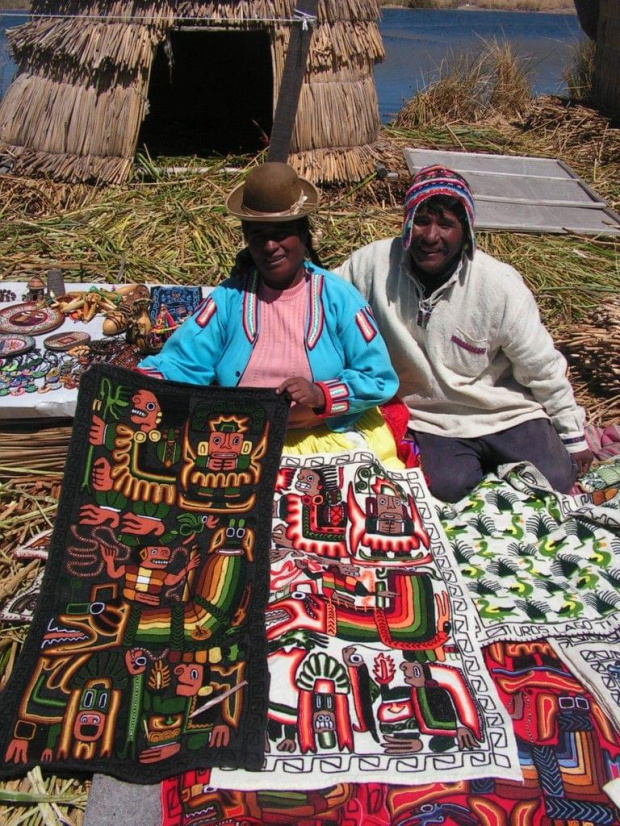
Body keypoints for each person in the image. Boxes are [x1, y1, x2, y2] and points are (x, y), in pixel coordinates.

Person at [336, 164, 593, 502]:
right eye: (422, 221)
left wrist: (573, 435)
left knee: (555, 479)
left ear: (467, 232)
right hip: (431, 418)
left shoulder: (498, 286)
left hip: (502, 411)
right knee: (444, 487)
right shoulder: (372, 265)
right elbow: (327, 299)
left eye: (446, 224)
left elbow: (541, 366)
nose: (431, 236)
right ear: (407, 223)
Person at [138, 162, 401, 464]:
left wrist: (321, 394)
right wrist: (134, 383)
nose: (270, 246)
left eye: (282, 233)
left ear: (302, 234)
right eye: (258, 235)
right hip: (241, 442)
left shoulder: (339, 298)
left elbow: (378, 378)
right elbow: (182, 362)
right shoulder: (228, 299)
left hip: (325, 439)